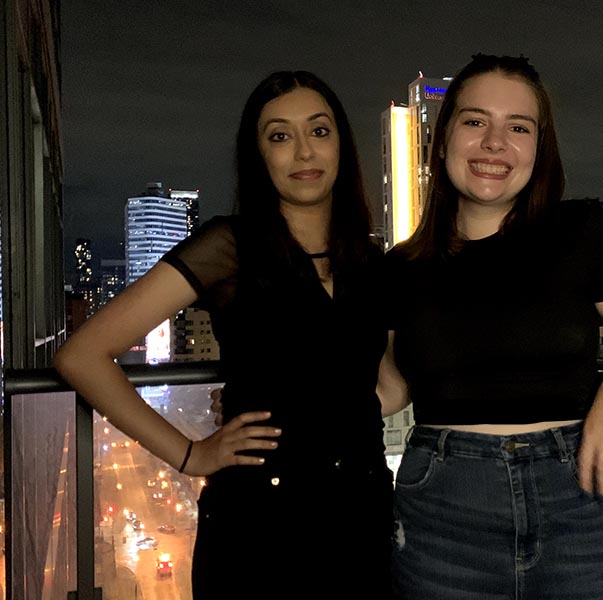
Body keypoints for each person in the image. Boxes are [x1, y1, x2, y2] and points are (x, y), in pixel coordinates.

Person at [53, 70, 395, 599]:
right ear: (259, 156)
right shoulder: (231, 246)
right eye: (279, 135)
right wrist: (190, 455)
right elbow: (83, 355)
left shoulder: (369, 262)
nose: (303, 150)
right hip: (259, 522)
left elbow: (388, 388)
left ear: (342, 146)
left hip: (362, 515)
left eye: (319, 131)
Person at [377, 54, 603, 600]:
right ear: (443, 136)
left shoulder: (581, 233)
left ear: (538, 147)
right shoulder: (400, 269)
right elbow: (388, 389)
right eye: (476, 121)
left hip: (577, 494)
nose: (495, 143)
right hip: (443, 504)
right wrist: (275, 395)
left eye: (517, 127)